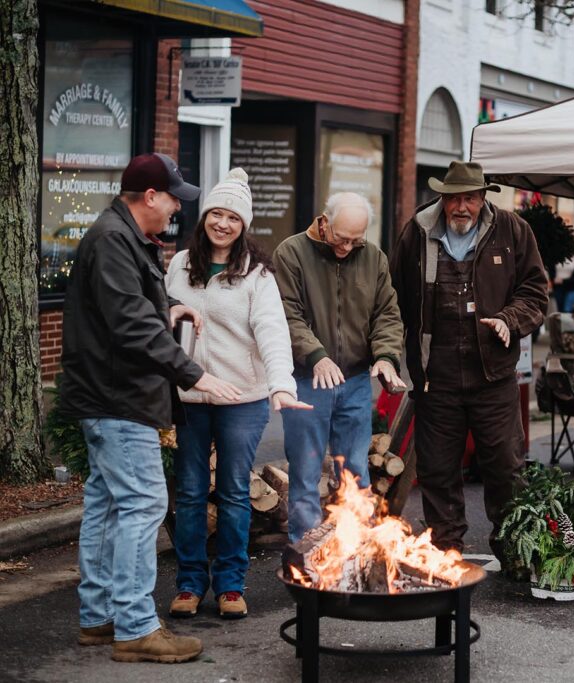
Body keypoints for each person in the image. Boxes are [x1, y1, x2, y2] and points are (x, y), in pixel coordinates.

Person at [61, 153, 242, 663]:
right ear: (149, 197)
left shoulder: (117, 236)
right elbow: (131, 327)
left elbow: (129, 308)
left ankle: (98, 619)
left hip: (106, 396)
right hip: (120, 399)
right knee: (141, 505)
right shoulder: (114, 240)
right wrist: (197, 374)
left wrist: (169, 307)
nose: (175, 212)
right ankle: (137, 627)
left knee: (107, 505)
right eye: (171, 200)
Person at [164, 168, 312, 620]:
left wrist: (281, 384)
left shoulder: (257, 275)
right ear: (204, 217)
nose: (223, 224)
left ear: (244, 225)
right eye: (216, 214)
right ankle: (190, 583)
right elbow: (163, 319)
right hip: (188, 398)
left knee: (231, 493)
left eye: (233, 217)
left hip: (242, 401)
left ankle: (230, 585)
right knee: (189, 493)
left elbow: (272, 333)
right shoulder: (178, 265)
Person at [390, 161, 547, 560]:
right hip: (435, 375)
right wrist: (389, 354)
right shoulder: (417, 233)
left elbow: (535, 291)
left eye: (470, 198)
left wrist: (511, 320)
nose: (462, 207)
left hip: (492, 374)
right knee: (439, 470)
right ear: (443, 199)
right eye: (455, 198)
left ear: (483, 199)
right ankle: (446, 551)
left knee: (506, 467)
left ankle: (514, 548)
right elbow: (393, 298)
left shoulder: (512, 231)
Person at [273, 192, 406, 543]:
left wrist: (386, 356)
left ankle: (354, 550)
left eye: (355, 240)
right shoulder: (291, 253)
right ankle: (305, 554)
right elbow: (287, 314)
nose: (347, 247)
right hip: (306, 380)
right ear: (324, 221)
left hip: (356, 380)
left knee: (356, 471)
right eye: (341, 238)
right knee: (304, 473)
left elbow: (387, 316)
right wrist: (316, 355)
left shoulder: (374, 257)